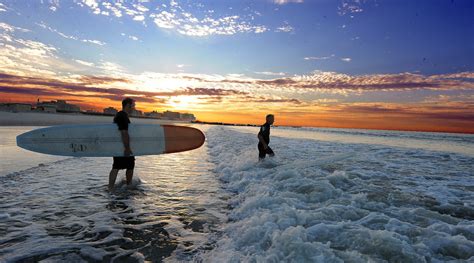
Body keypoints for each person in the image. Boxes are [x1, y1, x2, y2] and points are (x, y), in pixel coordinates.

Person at [108, 97, 135, 191]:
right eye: (133, 106)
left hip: (118, 146)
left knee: (120, 165)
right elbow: (124, 132)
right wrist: (127, 148)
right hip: (122, 146)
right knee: (122, 166)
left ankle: (111, 188)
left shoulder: (120, 115)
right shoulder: (122, 116)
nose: (134, 108)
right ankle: (127, 186)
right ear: (128, 105)